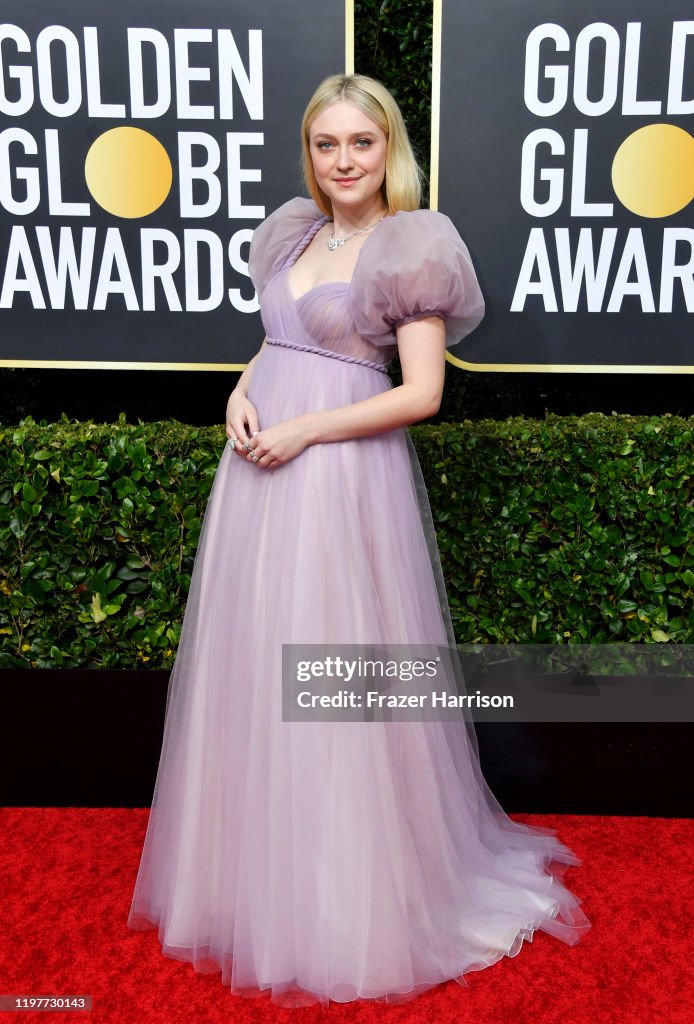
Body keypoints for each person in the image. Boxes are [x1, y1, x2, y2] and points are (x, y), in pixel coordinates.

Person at [127, 73, 591, 1008]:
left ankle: (347, 903)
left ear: (391, 149)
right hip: (258, 476)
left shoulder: (411, 244)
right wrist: (240, 393)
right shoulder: (295, 230)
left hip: (338, 477)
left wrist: (302, 431)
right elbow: (277, 340)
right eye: (328, 144)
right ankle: (253, 883)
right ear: (312, 150)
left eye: (362, 144)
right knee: (255, 670)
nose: (344, 162)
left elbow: (421, 393)